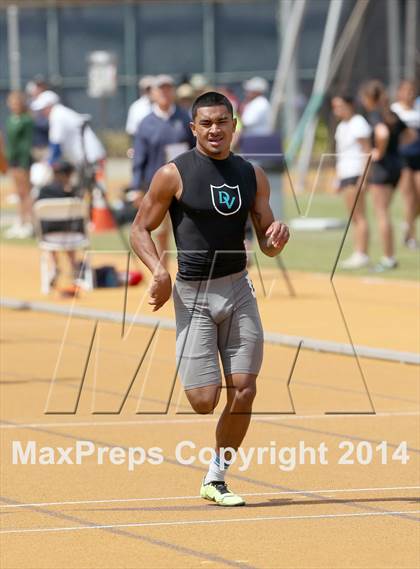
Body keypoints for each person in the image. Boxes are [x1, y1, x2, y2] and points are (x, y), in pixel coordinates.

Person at [130, 91, 289, 506]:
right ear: (194, 128)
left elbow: (268, 241)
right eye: (206, 123)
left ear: (234, 125)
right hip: (194, 295)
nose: (215, 130)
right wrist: (159, 270)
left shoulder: (252, 174)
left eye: (222, 122)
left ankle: (216, 477)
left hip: (238, 288)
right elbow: (139, 229)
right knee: (204, 402)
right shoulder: (173, 173)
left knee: (245, 389)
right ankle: (196, 359)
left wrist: (277, 238)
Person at [132, 74, 195, 266]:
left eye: (168, 89)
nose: (165, 93)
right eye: (161, 89)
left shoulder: (185, 118)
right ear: (152, 93)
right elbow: (139, 157)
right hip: (158, 187)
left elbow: (196, 148)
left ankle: (193, 273)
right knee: (160, 232)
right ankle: (163, 274)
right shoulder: (146, 123)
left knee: (191, 230)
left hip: (187, 183)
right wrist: (136, 186)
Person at [359, 80, 414, 271]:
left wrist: (379, 151)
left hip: (382, 168)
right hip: (397, 166)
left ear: (368, 98)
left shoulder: (375, 115)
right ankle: (389, 255)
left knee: (382, 213)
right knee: (385, 211)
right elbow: (410, 136)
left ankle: (388, 257)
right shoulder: (392, 114)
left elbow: (381, 134)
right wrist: (395, 149)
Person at [331, 93, 372, 269]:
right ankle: (358, 252)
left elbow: (367, 151)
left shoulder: (358, 123)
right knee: (353, 216)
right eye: (335, 106)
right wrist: (338, 178)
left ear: (350, 105)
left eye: (340, 106)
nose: (337, 110)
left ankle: (362, 253)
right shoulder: (342, 126)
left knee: (359, 215)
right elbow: (341, 155)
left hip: (356, 173)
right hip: (346, 174)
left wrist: (364, 179)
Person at [30, 90, 106, 173]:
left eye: (43, 109)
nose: (41, 112)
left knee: (96, 185)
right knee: (85, 184)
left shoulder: (57, 116)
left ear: (49, 106)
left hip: (91, 158)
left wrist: (48, 163)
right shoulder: (61, 113)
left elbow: (56, 145)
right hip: (89, 158)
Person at [36, 160, 83, 287]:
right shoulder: (75, 192)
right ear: (70, 175)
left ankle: (54, 267)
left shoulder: (44, 190)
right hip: (74, 237)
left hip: (49, 237)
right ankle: (74, 268)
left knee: (52, 233)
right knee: (69, 230)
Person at [391, 79, 420, 248]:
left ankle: (407, 222)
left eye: (412, 90)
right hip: (403, 159)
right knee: (409, 198)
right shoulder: (395, 110)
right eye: (406, 90)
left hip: (418, 157)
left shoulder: (418, 109)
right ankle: (410, 236)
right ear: (399, 92)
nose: (409, 94)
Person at [5, 91, 34, 239]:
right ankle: (20, 222)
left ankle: (29, 224)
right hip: (13, 160)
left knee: (26, 192)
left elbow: (26, 144)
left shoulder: (26, 120)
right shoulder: (11, 119)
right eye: (11, 102)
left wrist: (24, 162)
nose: (13, 105)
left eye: (16, 102)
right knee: (18, 193)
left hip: (23, 160)